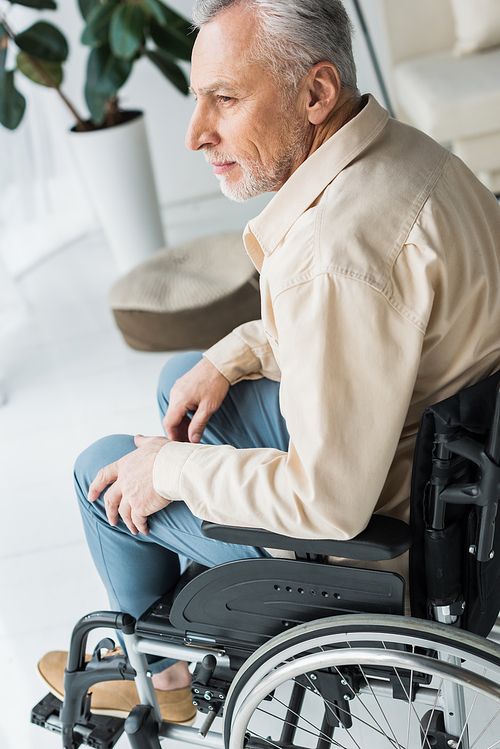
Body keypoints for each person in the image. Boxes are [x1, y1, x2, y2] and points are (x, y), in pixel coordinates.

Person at [38, 0, 500, 726]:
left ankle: (162, 682)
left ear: (315, 93)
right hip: (454, 489)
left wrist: (166, 470)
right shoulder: (416, 156)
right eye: (200, 100)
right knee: (184, 381)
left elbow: (327, 501)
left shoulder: (333, 256)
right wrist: (229, 356)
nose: (196, 133)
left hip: (380, 544)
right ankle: (185, 579)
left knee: (103, 470)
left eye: (225, 99)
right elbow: (368, 332)